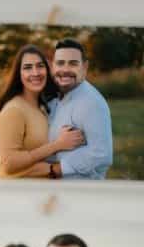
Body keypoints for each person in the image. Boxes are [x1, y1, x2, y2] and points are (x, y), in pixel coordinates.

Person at [0, 45, 83, 179]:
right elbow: (9, 164)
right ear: (19, 74)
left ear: (47, 69)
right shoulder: (14, 110)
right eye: (28, 68)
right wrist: (57, 146)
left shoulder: (41, 106)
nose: (35, 72)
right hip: (14, 194)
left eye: (40, 66)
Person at [48, 39, 114, 180]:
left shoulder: (91, 102)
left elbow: (101, 153)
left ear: (84, 67)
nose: (65, 70)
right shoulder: (54, 97)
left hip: (81, 193)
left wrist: (57, 169)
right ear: (53, 66)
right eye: (60, 63)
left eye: (73, 63)